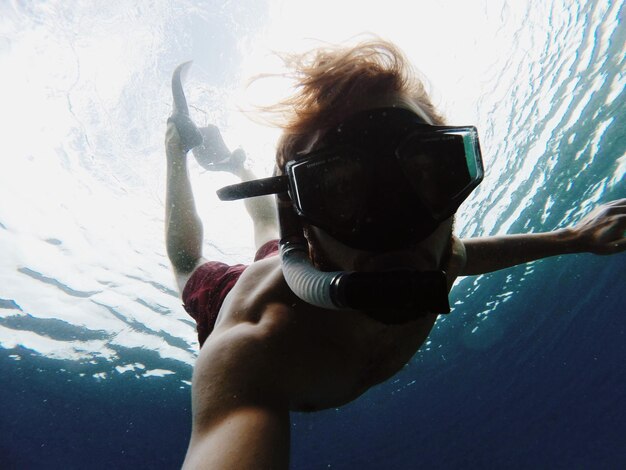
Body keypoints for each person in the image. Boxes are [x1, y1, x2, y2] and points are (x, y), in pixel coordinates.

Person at [164, 40, 626, 469]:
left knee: (265, 231)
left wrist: (576, 238)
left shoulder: (438, 256)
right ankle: (175, 148)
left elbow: (468, 254)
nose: (396, 228)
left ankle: (240, 165)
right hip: (254, 286)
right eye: (340, 188)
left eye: (427, 173)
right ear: (301, 222)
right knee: (188, 264)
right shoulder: (254, 345)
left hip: (307, 252)